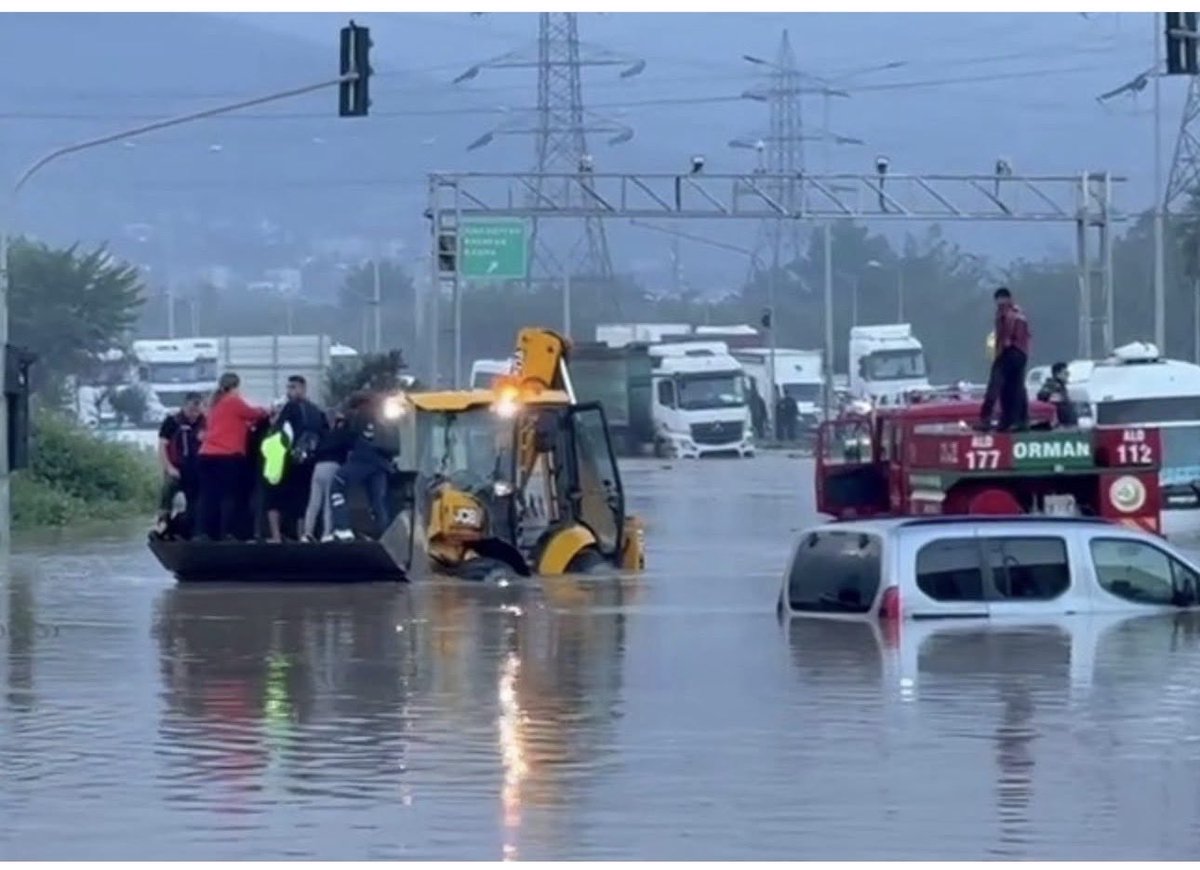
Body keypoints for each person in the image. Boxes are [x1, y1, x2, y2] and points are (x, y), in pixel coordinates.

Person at [197, 372, 269, 541]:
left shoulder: (215, 405)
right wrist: (267, 410)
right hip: (226, 456)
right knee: (229, 497)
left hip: (206, 455)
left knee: (208, 497)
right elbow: (255, 414)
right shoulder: (233, 401)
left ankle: (204, 533)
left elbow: (231, 424)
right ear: (236, 386)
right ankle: (228, 533)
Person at [263, 375, 328, 542]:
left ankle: (277, 535)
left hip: (287, 460)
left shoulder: (290, 407)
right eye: (288, 387)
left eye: (293, 387)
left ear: (302, 388)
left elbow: (278, 431)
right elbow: (324, 433)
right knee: (303, 498)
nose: (289, 391)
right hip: (309, 461)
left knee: (274, 498)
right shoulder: (316, 410)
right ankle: (301, 534)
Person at [329, 392, 398, 542]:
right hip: (381, 465)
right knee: (377, 501)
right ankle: (385, 536)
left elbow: (344, 438)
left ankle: (342, 528)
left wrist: (340, 424)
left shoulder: (359, 414)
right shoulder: (384, 418)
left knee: (337, 484)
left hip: (362, 460)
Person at [154, 392, 205, 538]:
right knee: (167, 490)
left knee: (196, 500)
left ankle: (190, 529)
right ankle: (162, 525)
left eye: (197, 409)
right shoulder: (172, 421)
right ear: (184, 406)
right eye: (191, 409)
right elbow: (162, 446)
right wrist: (169, 467)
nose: (193, 414)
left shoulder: (205, 423)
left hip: (196, 470)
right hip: (176, 468)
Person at [979, 286, 1031, 431]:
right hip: (1020, 353)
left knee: (997, 385)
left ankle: (987, 418)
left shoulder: (1009, 314)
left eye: (1001, 299)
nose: (999, 302)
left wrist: (1005, 345)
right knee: (1015, 387)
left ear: (1007, 299)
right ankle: (1017, 420)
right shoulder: (1014, 313)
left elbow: (1007, 336)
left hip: (1011, 351)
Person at [303, 411, 351, 541]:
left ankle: (307, 533)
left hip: (318, 467)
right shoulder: (342, 435)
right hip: (333, 467)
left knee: (313, 502)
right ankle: (327, 533)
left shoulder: (322, 435)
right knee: (328, 503)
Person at [1036, 361, 1078, 427]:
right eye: (1065, 373)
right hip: (1059, 426)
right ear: (1057, 374)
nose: (1068, 376)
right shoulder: (1052, 385)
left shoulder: (1062, 387)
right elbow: (1041, 396)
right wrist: (1052, 398)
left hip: (1067, 426)